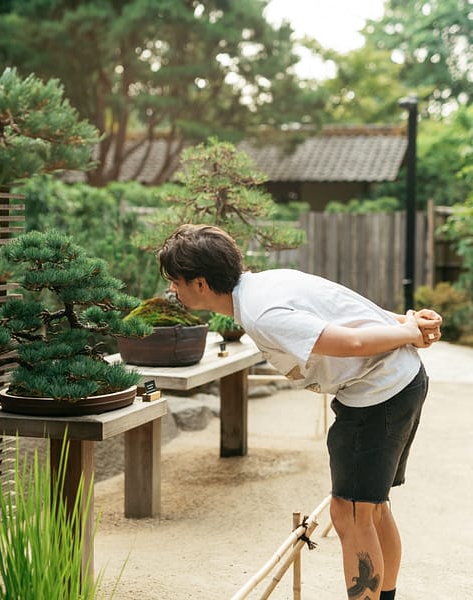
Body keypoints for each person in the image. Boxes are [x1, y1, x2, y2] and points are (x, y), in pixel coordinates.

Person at [157, 223, 442, 600]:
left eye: (176, 281)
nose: (172, 290)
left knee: (350, 513)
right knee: (371, 508)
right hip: (398, 382)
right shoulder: (268, 282)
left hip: (378, 394)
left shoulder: (262, 312)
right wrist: (407, 324)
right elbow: (349, 309)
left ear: (201, 283)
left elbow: (351, 340)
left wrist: (408, 332)